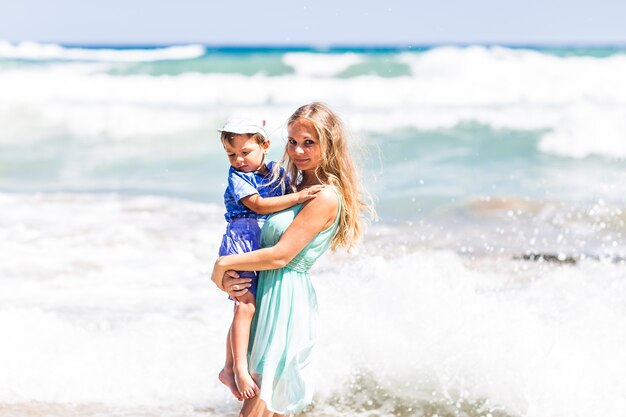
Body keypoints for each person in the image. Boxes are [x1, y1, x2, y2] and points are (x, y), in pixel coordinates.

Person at [211, 103, 373, 416]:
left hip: (285, 299)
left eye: (309, 143)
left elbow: (280, 255)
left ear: (329, 143)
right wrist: (234, 275)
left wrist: (222, 266)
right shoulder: (292, 186)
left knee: (261, 405)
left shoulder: (323, 195)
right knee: (268, 407)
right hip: (267, 291)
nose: (298, 151)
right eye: (293, 141)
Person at [214, 117, 324, 401]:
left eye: (245, 152)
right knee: (245, 306)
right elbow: (259, 205)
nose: (238, 160)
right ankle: (236, 368)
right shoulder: (237, 176)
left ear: (265, 146)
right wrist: (300, 197)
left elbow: (288, 202)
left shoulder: (275, 171)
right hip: (242, 241)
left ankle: (230, 366)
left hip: (261, 241)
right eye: (231, 154)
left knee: (251, 306)